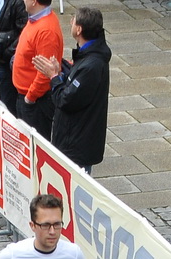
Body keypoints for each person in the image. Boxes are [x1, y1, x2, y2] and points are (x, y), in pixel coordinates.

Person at [35, 5, 108, 171]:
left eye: (73, 20)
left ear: (79, 29)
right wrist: (63, 72)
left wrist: (54, 77)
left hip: (77, 144)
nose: (70, 22)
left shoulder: (91, 65)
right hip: (75, 139)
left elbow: (66, 99)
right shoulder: (88, 54)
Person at [11, 0, 60, 136]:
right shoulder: (35, 19)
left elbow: (46, 73)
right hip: (26, 97)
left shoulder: (46, 31)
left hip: (35, 103)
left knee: (34, 145)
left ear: (34, 2)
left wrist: (30, 98)